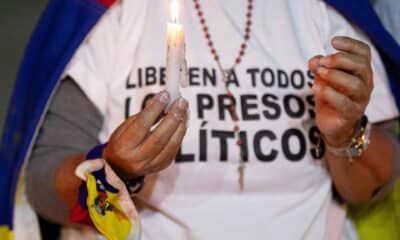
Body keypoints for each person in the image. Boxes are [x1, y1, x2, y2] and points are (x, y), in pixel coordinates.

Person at [4, 0, 399, 239]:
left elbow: (370, 187)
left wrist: (345, 133)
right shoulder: (109, 13)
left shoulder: (322, 12)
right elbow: (43, 184)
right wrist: (113, 171)